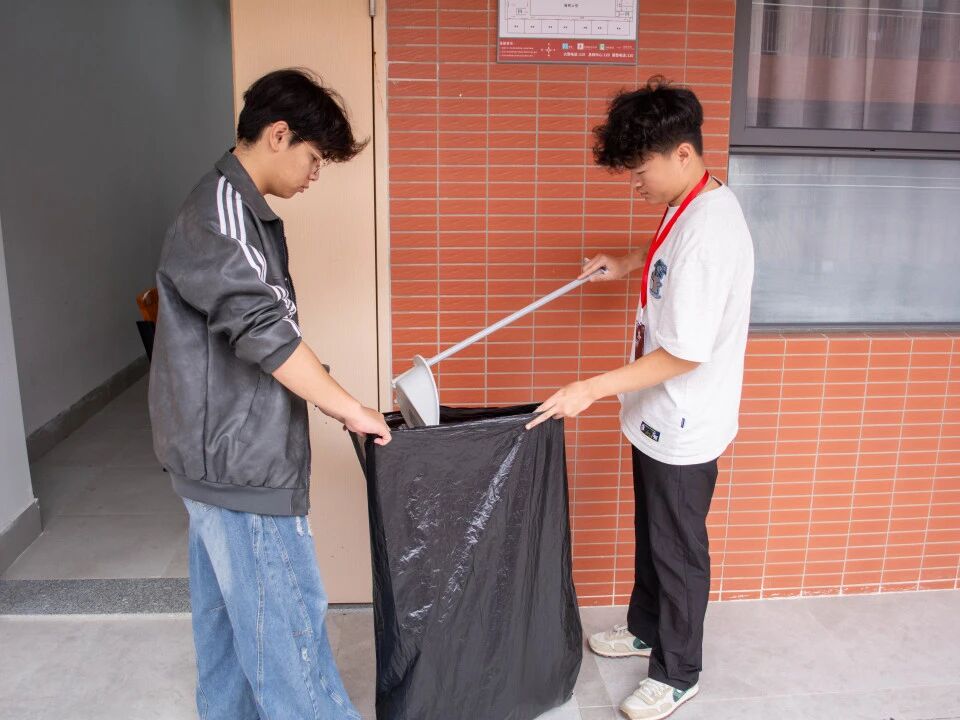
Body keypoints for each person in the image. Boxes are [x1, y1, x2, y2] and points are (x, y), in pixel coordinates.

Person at [149, 68, 391, 720]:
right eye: (314, 158)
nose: (315, 174)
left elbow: (262, 330)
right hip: (240, 466)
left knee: (232, 639)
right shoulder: (222, 216)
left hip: (218, 460)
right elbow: (267, 333)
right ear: (278, 135)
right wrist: (349, 407)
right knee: (290, 645)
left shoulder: (237, 209)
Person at [527, 76, 754, 720]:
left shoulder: (711, 232)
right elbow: (668, 257)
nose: (635, 182)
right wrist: (627, 263)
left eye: (640, 168)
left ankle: (679, 672)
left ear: (683, 153)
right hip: (656, 411)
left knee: (677, 549)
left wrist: (590, 388)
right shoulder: (690, 201)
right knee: (653, 532)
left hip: (684, 418)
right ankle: (646, 627)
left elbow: (685, 353)